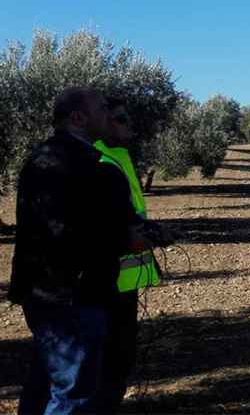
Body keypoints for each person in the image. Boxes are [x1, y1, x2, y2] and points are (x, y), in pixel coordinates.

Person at [8, 87, 145, 414]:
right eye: (101, 109)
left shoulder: (48, 156)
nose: (108, 116)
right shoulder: (77, 163)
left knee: (49, 381)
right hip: (73, 296)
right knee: (75, 393)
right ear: (78, 117)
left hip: (48, 293)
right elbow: (68, 233)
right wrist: (130, 240)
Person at [93, 98, 171, 410]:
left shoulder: (119, 157)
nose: (130, 124)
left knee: (118, 355)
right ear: (102, 121)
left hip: (124, 275)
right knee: (109, 358)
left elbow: (128, 213)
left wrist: (148, 229)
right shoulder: (100, 159)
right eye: (121, 119)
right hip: (105, 277)